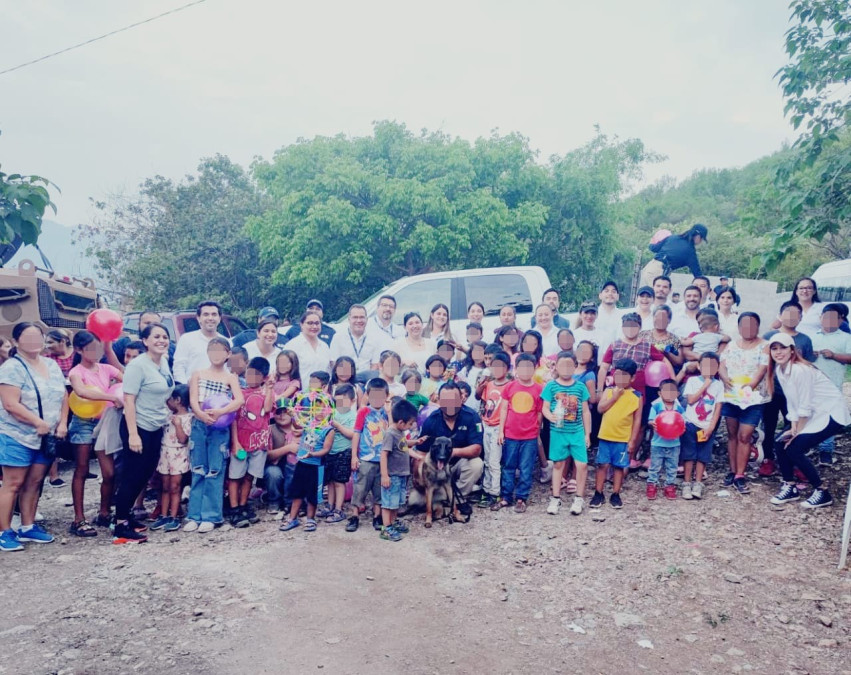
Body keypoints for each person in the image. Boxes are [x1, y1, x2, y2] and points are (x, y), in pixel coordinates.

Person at [0, 322, 68, 551]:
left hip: (46, 436)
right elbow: (10, 404)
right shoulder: (11, 367)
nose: (34, 342)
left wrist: (62, 422)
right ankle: (4, 531)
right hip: (16, 434)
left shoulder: (51, 364)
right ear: (17, 342)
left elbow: (63, 396)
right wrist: (37, 422)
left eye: (37, 337)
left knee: (35, 482)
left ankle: (28, 527)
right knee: (13, 483)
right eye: (27, 337)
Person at [767, 333, 845, 509]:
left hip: (829, 413)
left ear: (792, 350)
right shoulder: (780, 370)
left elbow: (805, 404)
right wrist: (793, 427)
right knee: (780, 443)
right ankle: (790, 486)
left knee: (794, 448)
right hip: (811, 414)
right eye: (774, 348)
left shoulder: (800, 370)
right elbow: (793, 402)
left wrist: (797, 433)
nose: (778, 352)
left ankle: (822, 492)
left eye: (783, 348)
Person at [112, 323, 174, 544]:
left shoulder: (163, 362)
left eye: (165, 336)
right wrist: (133, 434)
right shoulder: (137, 365)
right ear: (145, 341)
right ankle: (119, 526)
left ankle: (126, 516)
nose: (161, 340)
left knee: (145, 474)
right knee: (132, 475)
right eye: (156, 336)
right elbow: (129, 400)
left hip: (155, 426)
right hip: (137, 426)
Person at [67, 330, 124, 537]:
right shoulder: (76, 371)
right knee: (81, 469)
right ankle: (78, 519)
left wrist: (109, 351)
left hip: (105, 422)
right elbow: (81, 391)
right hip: (83, 422)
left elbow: (126, 377)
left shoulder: (106, 367)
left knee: (109, 473)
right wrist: (109, 396)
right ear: (79, 350)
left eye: (98, 347)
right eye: (91, 348)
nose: (96, 352)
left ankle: (104, 512)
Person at [184, 337, 244, 534]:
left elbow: (239, 401)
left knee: (216, 470)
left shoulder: (231, 377)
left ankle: (211, 515)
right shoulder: (197, 374)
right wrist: (201, 414)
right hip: (199, 425)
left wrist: (220, 412)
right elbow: (193, 400)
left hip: (220, 429)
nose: (216, 354)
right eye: (213, 350)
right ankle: (194, 515)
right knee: (198, 468)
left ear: (228, 354)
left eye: (221, 350)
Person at [761, 301, 817, 476]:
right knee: (768, 426)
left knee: (793, 426)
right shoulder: (769, 335)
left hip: (794, 393)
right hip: (773, 390)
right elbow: (763, 364)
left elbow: (807, 365)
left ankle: (794, 460)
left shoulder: (805, 340)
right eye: (788, 313)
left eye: (796, 314)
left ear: (801, 317)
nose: (792, 317)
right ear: (780, 315)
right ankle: (768, 459)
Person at [719, 312, 769, 489]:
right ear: (739, 328)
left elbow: (763, 368)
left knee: (745, 435)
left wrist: (750, 385)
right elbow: (722, 365)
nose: (748, 328)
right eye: (744, 325)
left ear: (758, 326)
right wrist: (724, 378)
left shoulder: (765, 346)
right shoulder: (732, 345)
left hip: (753, 399)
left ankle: (741, 474)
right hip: (732, 397)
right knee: (732, 434)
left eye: (752, 324)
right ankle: (732, 471)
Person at [416, 381, 484, 505]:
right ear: (439, 400)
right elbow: (420, 452)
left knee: (477, 464)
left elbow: (477, 449)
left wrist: (452, 452)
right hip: (436, 467)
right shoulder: (431, 420)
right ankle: (439, 495)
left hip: (459, 463)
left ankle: (457, 498)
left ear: (461, 399)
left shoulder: (472, 417)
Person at [542, 351, 591, 516]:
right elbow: (545, 408)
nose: (566, 368)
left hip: (577, 431)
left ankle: (579, 498)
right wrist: (550, 417)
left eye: (570, 365)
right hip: (558, 432)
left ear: (575, 366)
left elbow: (585, 411)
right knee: (557, 464)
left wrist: (587, 434)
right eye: (562, 365)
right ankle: (555, 498)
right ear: (556, 366)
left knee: (582, 464)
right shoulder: (551, 386)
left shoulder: (580, 386)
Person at [228, 357, 274, 529]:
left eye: (257, 375)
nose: (251, 377)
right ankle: (234, 509)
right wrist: (235, 442)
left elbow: (268, 409)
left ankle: (243, 504)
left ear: (264, 377)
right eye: (249, 373)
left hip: (259, 443)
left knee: (249, 476)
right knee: (235, 476)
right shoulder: (238, 392)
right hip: (241, 442)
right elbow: (232, 419)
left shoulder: (266, 392)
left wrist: (269, 388)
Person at [492, 354, 542, 513]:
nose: (526, 371)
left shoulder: (539, 389)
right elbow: (504, 409)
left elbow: (540, 412)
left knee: (526, 467)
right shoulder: (510, 387)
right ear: (516, 369)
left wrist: (537, 429)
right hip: (511, 434)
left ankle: (521, 497)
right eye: (522, 367)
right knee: (508, 466)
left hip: (529, 436)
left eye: (529, 367)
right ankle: (506, 497)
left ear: (535, 369)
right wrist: (501, 431)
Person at [589, 358, 641, 510]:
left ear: (632, 378)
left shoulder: (637, 396)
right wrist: (614, 397)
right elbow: (600, 409)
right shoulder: (609, 390)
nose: (621, 379)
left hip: (622, 439)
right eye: (618, 374)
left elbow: (637, 420)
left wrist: (632, 440)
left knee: (619, 467)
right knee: (602, 465)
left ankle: (616, 493)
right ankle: (598, 492)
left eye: (625, 375)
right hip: (605, 436)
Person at [346, 378, 390, 533]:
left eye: (381, 396)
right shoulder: (363, 411)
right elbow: (356, 434)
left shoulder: (388, 413)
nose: (377, 400)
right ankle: (354, 516)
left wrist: (390, 414)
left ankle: (377, 516)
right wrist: (354, 456)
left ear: (387, 396)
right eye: (373, 396)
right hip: (365, 458)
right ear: (367, 396)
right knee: (360, 488)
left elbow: (392, 432)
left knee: (380, 489)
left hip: (383, 460)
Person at [278, 415, 333, 533]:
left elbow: (326, 449)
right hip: (301, 463)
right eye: (316, 407)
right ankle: (292, 518)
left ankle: (310, 519)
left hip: (316, 466)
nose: (319, 411)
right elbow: (297, 425)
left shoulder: (329, 429)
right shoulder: (308, 423)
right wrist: (293, 414)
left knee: (312, 494)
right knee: (297, 492)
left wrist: (312, 454)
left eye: (322, 408)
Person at [811, 303, 851, 466]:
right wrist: (810, 355)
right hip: (812, 384)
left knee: (830, 416)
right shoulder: (813, 336)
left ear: (841, 320)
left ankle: (826, 449)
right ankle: (808, 444)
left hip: (833, 384)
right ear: (820, 318)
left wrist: (834, 355)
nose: (828, 320)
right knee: (811, 414)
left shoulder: (846, 337)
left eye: (834, 317)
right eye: (825, 316)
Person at [378, 398, 423, 541]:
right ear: (401, 422)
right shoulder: (390, 434)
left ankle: (394, 521)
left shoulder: (400, 432)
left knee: (396, 502)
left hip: (402, 475)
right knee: (388, 503)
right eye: (410, 424)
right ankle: (386, 528)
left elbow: (403, 446)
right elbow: (384, 454)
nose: (411, 426)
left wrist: (416, 447)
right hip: (392, 476)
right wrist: (385, 475)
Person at [680, 353, 724, 498]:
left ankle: (698, 484)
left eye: (713, 366)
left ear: (717, 368)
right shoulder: (692, 381)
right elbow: (691, 400)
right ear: (699, 366)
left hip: (707, 426)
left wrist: (711, 427)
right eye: (705, 365)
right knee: (689, 454)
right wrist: (705, 385)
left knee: (703, 456)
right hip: (691, 424)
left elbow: (718, 408)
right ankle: (686, 483)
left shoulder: (719, 385)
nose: (709, 369)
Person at [151, 385, 192, 533]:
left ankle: (174, 516)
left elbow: (183, 439)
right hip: (165, 453)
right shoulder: (168, 416)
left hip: (178, 454)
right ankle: (164, 515)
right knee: (165, 486)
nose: (167, 402)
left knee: (175, 487)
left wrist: (178, 425)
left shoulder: (188, 418)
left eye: (170, 399)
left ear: (178, 400)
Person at [476, 351, 510, 508]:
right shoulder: (489, 384)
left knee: (495, 461)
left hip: (498, 426)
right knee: (487, 459)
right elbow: (481, 400)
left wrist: (503, 429)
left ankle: (495, 492)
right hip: (486, 424)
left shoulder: (509, 386)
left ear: (507, 369)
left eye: (501, 367)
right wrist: (481, 386)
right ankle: (486, 489)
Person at [321, 383, 357, 523]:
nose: (340, 403)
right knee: (329, 481)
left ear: (353, 401)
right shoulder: (332, 413)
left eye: (343, 400)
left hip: (344, 453)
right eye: (337, 401)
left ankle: (338, 509)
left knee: (339, 482)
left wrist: (337, 426)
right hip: (330, 451)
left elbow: (352, 434)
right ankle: (329, 505)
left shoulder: (353, 416)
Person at [646, 379, 686, 500]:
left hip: (674, 444)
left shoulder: (679, 408)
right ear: (660, 393)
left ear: (678, 393)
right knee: (655, 465)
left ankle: (669, 485)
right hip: (657, 442)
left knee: (672, 466)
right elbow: (649, 421)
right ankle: (652, 484)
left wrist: (682, 428)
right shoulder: (656, 406)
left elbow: (683, 423)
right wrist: (652, 423)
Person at [639, 223, 708, 287]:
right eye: (702, 238)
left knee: (655, 297)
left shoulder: (672, 237)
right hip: (659, 272)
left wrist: (651, 242)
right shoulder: (690, 251)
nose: (701, 241)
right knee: (657, 297)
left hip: (650, 267)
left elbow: (654, 248)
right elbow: (698, 274)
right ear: (698, 236)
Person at [173, 301, 223, 383]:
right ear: (198, 318)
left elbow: (229, 370)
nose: (210, 318)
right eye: (206, 314)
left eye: (214, 314)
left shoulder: (226, 342)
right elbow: (179, 367)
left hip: (220, 392)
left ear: (219, 318)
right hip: (192, 391)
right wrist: (185, 389)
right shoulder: (187, 339)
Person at [329, 304, 382, 377]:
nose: (359, 320)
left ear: (367, 319)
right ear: (349, 319)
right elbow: (333, 363)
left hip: (366, 381)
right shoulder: (338, 338)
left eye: (362, 317)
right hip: (344, 381)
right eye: (355, 317)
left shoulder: (374, 339)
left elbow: (375, 365)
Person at [111, 310, 176, 368]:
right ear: (139, 324)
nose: (151, 326)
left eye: (155, 323)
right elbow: (107, 361)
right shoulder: (125, 342)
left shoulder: (168, 346)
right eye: (147, 323)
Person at [287, 311, 332, 390]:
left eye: (317, 323)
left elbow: (329, 372)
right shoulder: (292, 346)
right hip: (300, 396)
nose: (314, 326)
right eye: (310, 323)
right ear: (301, 324)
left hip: (323, 397)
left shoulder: (325, 347)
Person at [264, 405, 296, 515]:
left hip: (295, 467)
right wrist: (288, 448)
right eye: (278, 412)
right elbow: (266, 456)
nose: (282, 415)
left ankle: (295, 502)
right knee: (273, 473)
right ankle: (274, 501)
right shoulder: (269, 429)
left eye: (285, 412)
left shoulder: (299, 428)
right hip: (275, 467)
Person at [639, 305, 684, 371]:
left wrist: (666, 353)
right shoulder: (643, 335)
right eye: (657, 317)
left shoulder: (675, 339)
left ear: (669, 320)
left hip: (665, 374)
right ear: (653, 318)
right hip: (643, 372)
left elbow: (680, 362)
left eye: (664, 317)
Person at [596, 281, 622, 349]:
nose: (610, 294)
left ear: (618, 296)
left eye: (613, 292)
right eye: (606, 291)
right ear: (600, 295)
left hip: (615, 354)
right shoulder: (592, 315)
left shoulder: (622, 316)